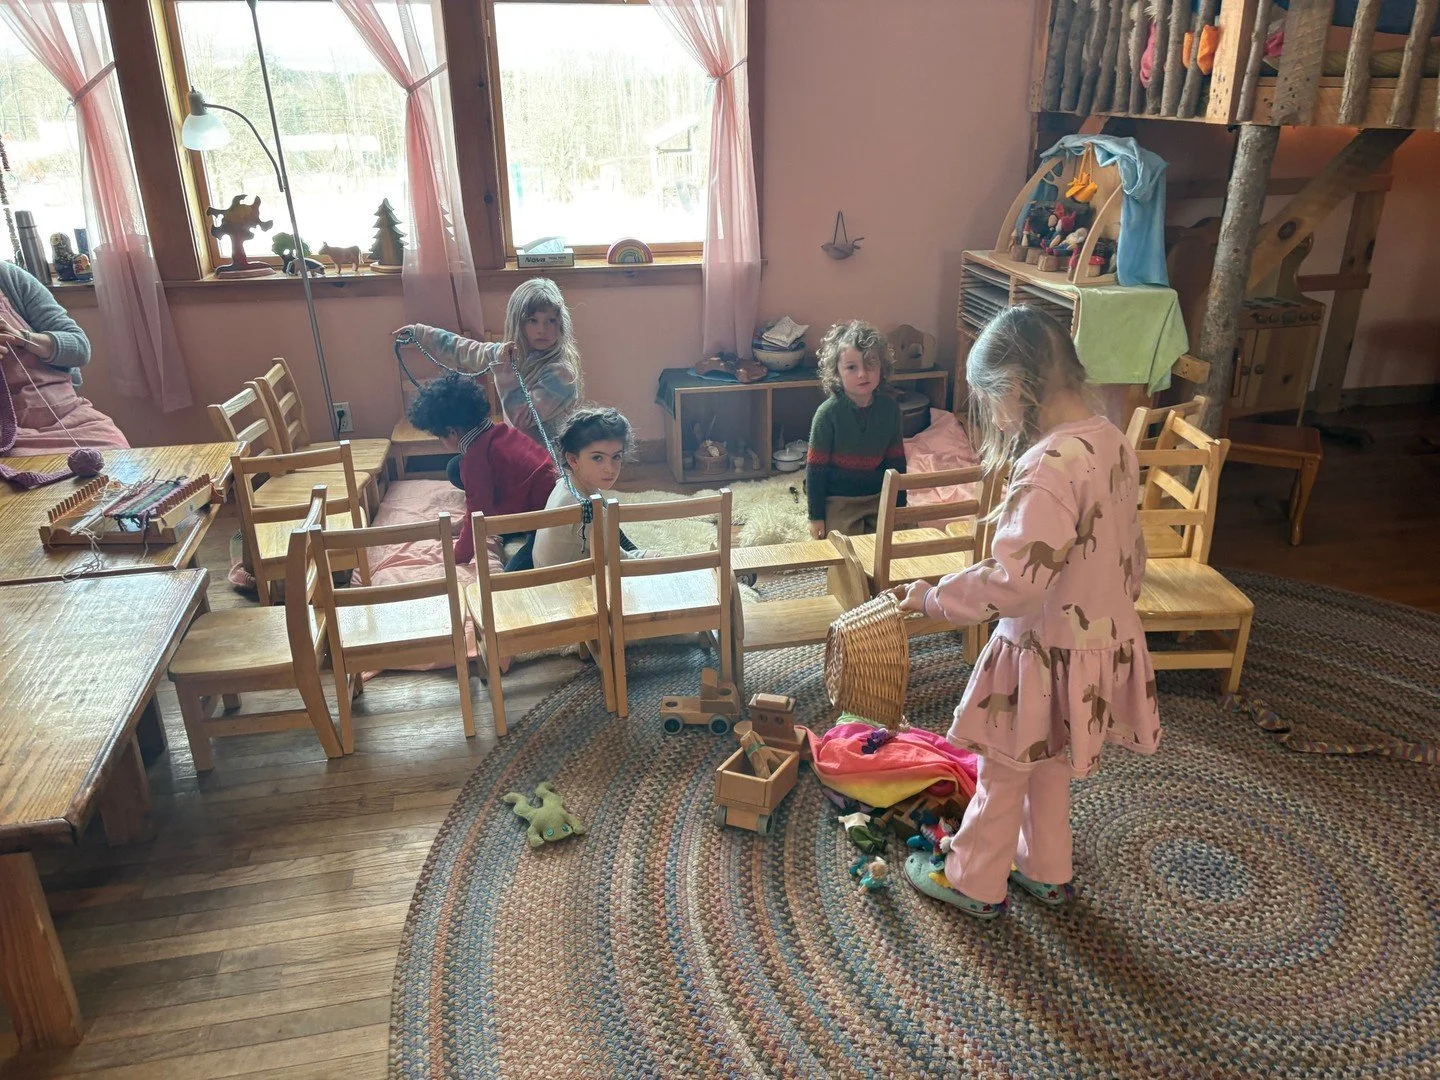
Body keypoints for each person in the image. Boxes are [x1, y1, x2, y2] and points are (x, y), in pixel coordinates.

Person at [896, 305, 1160, 919]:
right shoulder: (1111, 438)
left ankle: (973, 880)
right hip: (1095, 640)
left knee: (1003, 771)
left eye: (991, 401)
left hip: (1041, 653)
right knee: (1051, 767)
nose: (995, 416)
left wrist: (936, 597)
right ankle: (1046, 869)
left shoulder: (1045, 466)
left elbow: (1015, 583)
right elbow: (1131, 546)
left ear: (1015, 387)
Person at [395, 277, 581, 444]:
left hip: (548, 465)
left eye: (550, 321)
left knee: (467, 467)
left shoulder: (561, 373)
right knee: (459, 466)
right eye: (532, 320)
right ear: (517, 323)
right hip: (520, 450)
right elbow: (464, 350)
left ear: (561, 324)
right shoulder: (511, 354)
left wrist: (505, 370)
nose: (542, 330)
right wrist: (420, 333)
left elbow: (523, 418)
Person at [405, 371, 556, 566]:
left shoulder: (476, 461)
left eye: (440, 437)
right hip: (541, 490)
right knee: (455, 467)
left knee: (515, 574)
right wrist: (461, 524)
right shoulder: (497, 431)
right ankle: (512, 527)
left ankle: (518, 533)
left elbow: (478, 513)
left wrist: (458, 557)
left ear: (451, 432)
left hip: (546, 516)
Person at [0, 261, 128, 456]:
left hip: (69, 416)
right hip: (8, 435)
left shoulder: (9, 278)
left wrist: (23, 338)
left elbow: (79, 348)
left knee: (115, 455)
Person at [805, 319, 905, 539]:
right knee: (846, 548)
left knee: (897, 539)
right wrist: (815, 516)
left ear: (881, 367)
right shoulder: (827, 414)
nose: (863, 374)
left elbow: (897, 463)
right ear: (837, 373)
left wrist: (900, 508)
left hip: (878, 494)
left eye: (870, 365)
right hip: (839, 498)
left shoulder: (890, 410)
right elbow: (815, 471)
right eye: (852, 367)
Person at [532, 406, 643, 568]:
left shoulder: (566, 483)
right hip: (565, 589)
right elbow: (617, 562)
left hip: (549, 580)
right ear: (573, 460)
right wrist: (648, 558)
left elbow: (614, 536)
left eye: (616, 457)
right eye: (597, 458)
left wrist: (639, 552)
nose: (610, 468)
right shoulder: (588, 509)